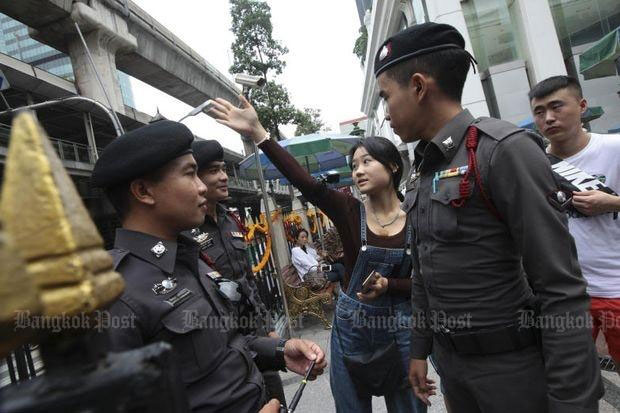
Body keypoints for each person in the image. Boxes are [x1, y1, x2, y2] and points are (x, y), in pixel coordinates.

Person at [372, 22, 603, 412]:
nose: (385, 110)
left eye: (386, 96)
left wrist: (573, 401)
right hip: (454, 369)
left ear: (417, 86)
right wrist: (419, 348)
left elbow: (560, 287)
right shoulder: (423, 166)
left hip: (511, 372)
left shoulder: (503, 151)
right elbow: (425, 272)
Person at [208, 99, 428, 412]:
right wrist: (259, 133)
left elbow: (423, 281)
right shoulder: (348, 210)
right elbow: (304, 181)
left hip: (403, 329)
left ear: (393, 166)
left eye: (367, 162)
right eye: (354, 165)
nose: (358, 171)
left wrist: (390, 286)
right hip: (352, 330)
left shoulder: (417, 216)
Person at [91, 120, 326, 413]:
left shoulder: (193, 261)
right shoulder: (115, 295)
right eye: (190, 174)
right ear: (143, 191)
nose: (203, 186)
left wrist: (280, 351)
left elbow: (228, 342)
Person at [529, 75, 620, 370]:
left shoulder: (614, 148)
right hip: (568, 294)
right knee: (569, 378)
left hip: (617, 288)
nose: (549, 118)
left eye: (557, 107)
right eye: (539, 112)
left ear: (582, 106)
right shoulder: (534, 166)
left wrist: (613, 202)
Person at [189, 139, 287, 406]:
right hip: (225, 342)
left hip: (255, 331)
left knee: (275, 399)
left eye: (223, 169)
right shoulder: (184, 232)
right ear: (193, 179)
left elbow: (250, 281)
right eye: (213, 171)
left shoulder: (231, 220)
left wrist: (268, 329)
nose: (223, 177)